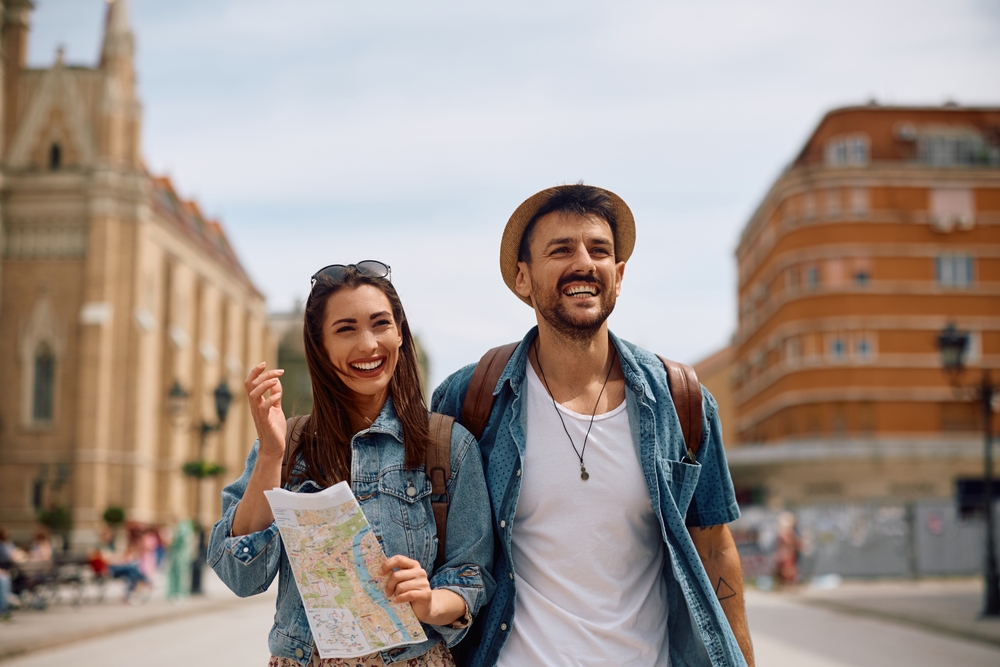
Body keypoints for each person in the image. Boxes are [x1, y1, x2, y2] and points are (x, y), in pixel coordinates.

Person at [432, 184, 755, 667]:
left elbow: (714, 546)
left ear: (619, 276)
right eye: (561, 250)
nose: (583, 263)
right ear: (523, 278)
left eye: (599, 251)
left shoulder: (682, 401)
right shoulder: (471, 398)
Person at [209, 261, 494, 667]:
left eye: (380, 324)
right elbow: (242, 577)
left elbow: (472, 576)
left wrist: (429, 601)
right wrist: (271, 454)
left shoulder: (447, 445)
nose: (368, 345)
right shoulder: (287, 447)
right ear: (320, 346)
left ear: (399, 333)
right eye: (346, 329)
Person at [774, 511, 801, 588]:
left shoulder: (786, 532)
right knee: (787, 570)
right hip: (786, 554)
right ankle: (786, 584)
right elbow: (789, 542)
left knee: (789, 570)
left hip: (787, 554)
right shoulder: (785, 532)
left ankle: (787, 584)